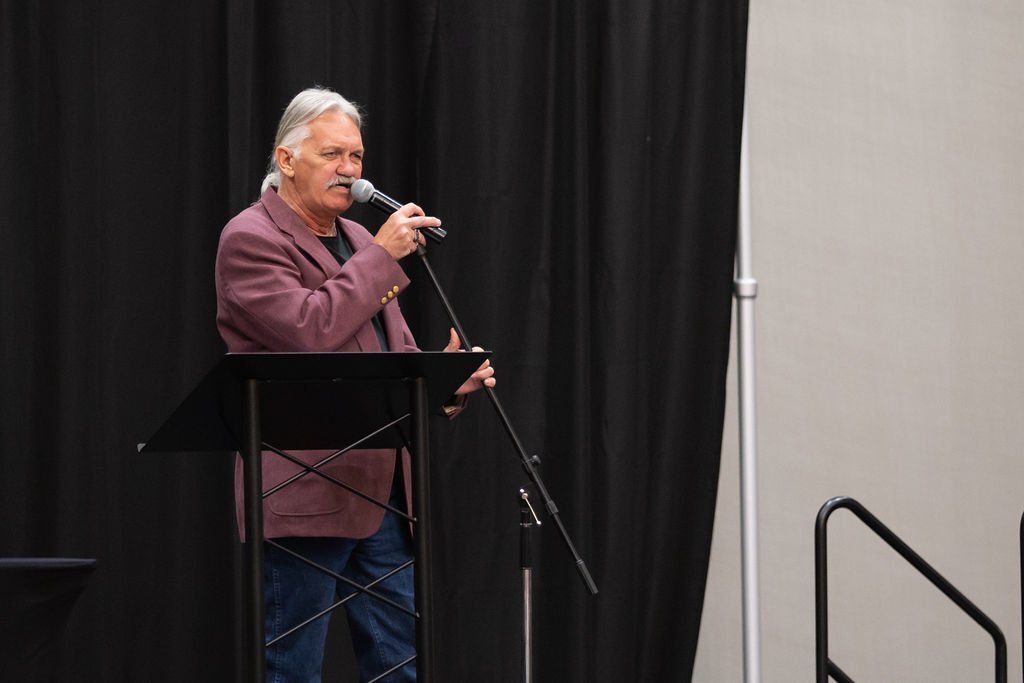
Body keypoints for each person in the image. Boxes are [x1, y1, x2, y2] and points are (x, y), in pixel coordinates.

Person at [214, 87, 495, 682]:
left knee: (401, 668)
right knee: (292, 670)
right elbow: (308, 330)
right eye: (332, 154)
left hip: (383, 494)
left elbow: (391, 360)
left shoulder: (361, 241)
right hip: (304, 493)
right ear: (287, 159)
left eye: (357, 156)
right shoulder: (251, 237)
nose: (349, 170)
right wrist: (381, 259)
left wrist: (445, 379)